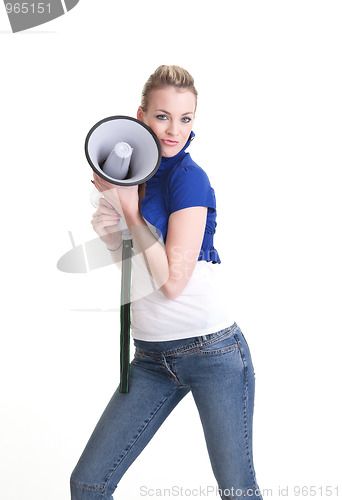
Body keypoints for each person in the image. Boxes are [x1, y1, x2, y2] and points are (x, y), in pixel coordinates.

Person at [70, 65, 263, 500]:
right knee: (88, 483)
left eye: (186, 118)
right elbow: (137, 270)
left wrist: (132, 214)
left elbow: (173, 283)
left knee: (237, 490)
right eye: (162, 116)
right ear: (140, 116)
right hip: (152, 358)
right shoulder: (130, 175)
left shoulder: (189, 179)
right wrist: (111, 222)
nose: (174, 129)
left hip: (211, 352)